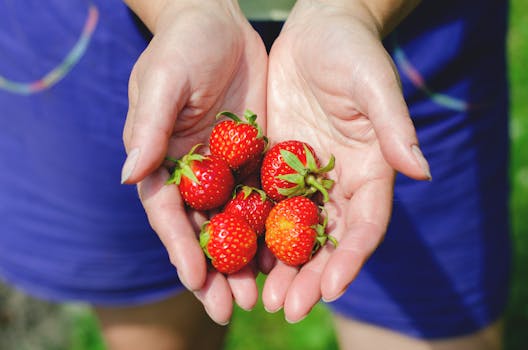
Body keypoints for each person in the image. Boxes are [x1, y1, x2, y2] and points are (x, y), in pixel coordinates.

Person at [0, 1, 510, 350]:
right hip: (108, 30)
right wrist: (186, 9)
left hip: (412, 29)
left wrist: (353, 8)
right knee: (153, 325)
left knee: (437, 317)